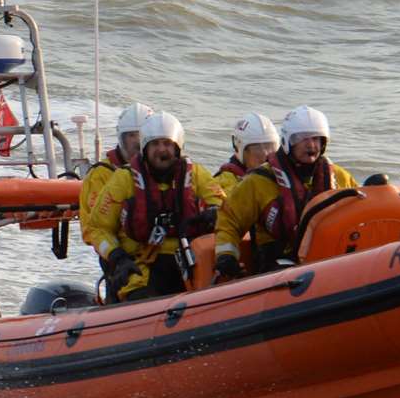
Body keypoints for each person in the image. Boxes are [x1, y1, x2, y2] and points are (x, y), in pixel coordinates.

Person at [86, 111, 225, 302]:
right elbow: (98, 228)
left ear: (177, 148)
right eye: (155, 144)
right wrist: (118, 258)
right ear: (145, 148)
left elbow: (222, 205)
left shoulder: (195, 175)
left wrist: (214, 213)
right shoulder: (124, 179)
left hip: (189, 263)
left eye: (167, 144)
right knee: (140, 298)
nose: (161, 150)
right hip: (140, 267)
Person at [213, 105, 357, 280]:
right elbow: (229, 219)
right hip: (277, 267)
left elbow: (358, 213)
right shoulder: (259, 181)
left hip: (330, 258)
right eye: (302, 138)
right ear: (288, 141)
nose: (311, 145)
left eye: (316, 138)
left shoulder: (340, 177)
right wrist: (226, 256)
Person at [79, 102, 153, 249]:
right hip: (120, 252)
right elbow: (95, 227)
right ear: (122, 138)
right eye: (132, 135)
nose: (137, 141)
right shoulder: (101, 175)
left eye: (142, 135)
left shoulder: (162, 170)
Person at [213, 112, 280, 196]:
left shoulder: (282, 178)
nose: (265, 155)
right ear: (240, 149)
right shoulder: (222, 185)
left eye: (270, 147)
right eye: (257, 148)